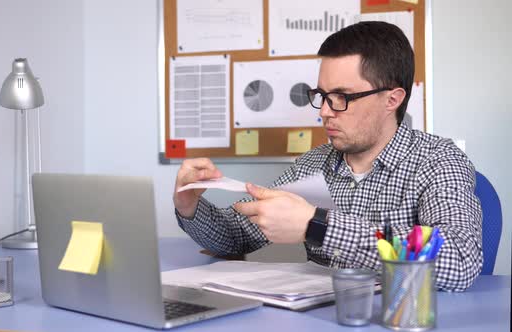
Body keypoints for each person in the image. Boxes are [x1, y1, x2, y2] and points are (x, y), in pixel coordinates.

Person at [172, 21, 482, 292]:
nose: (323, 111)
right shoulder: (311, 165)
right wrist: (190, 206)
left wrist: (317, 226)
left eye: (341, 97)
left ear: (392, 99)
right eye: (321, 96)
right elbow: (238, 237)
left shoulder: (439, 160)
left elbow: (459, 258)